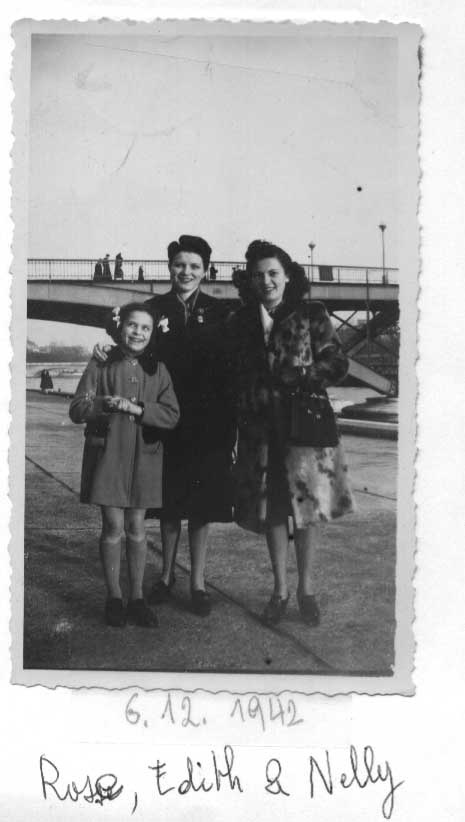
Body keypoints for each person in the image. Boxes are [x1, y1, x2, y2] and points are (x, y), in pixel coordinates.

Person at [93, 235, 236, 617]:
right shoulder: (154, 309)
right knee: (170, 503)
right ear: (169, 267)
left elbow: (230, 371)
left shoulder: (221, 312)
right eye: (179, 265)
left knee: (202, 507)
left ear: (206, 270)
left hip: (208, 423)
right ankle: (167, 576)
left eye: (194, 266)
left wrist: (230, 427)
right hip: (163, 419)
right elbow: (130, 342)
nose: (186, 272)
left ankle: (198, 583)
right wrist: (107, 348)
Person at [227, 240, 354, 626]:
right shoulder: (240, 320)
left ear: (287, 277)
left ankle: (306, 591)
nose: (265, 281)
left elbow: (337, 362)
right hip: (261, 430)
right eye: (258, 275)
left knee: (307, 509)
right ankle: (280, 590)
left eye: (273, 273)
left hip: (304, 425)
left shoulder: (312, 313)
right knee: (273, 510)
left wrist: (299, 375)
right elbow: (232, 374)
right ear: (250, 281)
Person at [69, 302, 180, 628]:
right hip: (108, 457)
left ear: (152, 333)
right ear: (120, 327)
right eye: (132, 325)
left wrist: (138, 409)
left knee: (137, 527)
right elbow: (77, 408)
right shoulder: (101, 362)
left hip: (145, 458)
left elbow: (172, 414)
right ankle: (114, 597)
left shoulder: (158, 369)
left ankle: (137, 598)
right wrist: (103, 404)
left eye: (145, 328)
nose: (138, 333)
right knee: (112, 526)